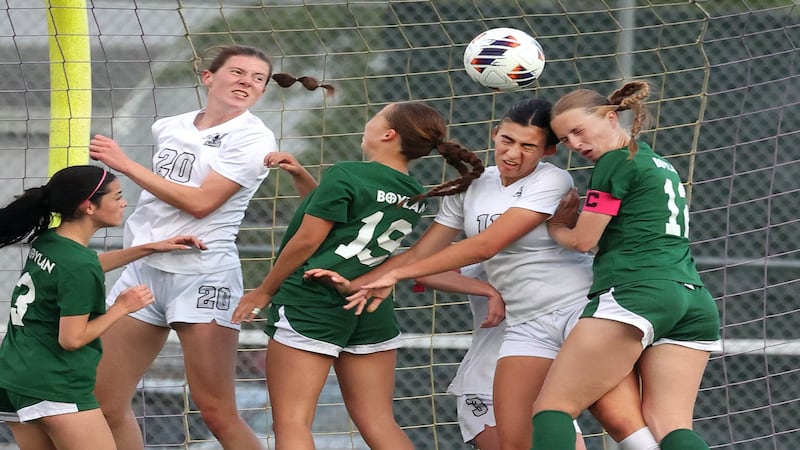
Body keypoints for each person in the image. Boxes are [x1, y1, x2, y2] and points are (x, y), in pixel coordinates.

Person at [308, 97, 659, 450]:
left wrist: (396, 276)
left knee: (620, 420)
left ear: (549, 151)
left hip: (578, 310)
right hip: (527, 324)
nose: (513, 154)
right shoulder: (472, 186)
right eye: (506, 140)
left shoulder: (553, 180)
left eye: (528, 146)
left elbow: (485, 246)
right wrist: (363, 282)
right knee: (518, 440)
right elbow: (421, 254)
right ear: (494, 134)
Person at [86, 44, 331, 450]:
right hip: (146, 271)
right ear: (208, 77)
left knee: (216, 411)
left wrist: (125, 164)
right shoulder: (170, 125)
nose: (246, 82)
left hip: (202, 277)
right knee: (103, 403)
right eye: (237, 73)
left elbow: (201, 204)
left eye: (257, 79)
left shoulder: (253, 137)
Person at [230, 101, 485, 450]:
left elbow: (308, 239)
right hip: (367, 303)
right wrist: (303, 177)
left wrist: (264, 290)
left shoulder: (347, 173)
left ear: (387, 133)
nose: (368, 122)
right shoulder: (413, 192)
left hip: (313, 298)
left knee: (291, 420)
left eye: (376, 116)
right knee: (378, 420)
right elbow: (346, 221)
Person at [529, 81, 721, 450]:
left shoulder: (615, 161)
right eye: (565, 139)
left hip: (638, 291)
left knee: (553, 407)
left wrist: (556, 227)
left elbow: (585, 241)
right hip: (692, 299)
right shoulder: (657, 162)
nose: (574, 144)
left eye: (578, 130)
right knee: (669, 425)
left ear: (611, 117)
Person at [0, 165, 204, 450]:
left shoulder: (50, 241)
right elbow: (71, 339)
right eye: (117, 196)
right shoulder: (78, 264)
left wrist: (149, 247)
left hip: (13, 376)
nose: (124, 202)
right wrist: (122, 307)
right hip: (55, 384)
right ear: (89, 207)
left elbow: (84, 269)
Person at [414, 264, 505, 450]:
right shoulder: (494, 246)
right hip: (488, 387)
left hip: (549, 389)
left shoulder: (576, 262)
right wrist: (489, 291)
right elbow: (425, 269)